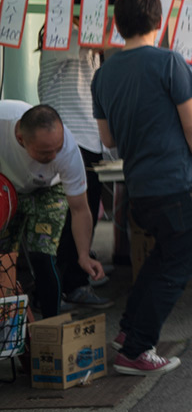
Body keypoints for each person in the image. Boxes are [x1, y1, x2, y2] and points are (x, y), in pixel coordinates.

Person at [92, 0, 192, 375]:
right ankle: (135, 350)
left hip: (139, 189)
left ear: (117, 26)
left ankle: (127, 332)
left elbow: (108, 140)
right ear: (159, 21)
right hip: (175, 184)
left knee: (160, 260)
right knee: (176, 266)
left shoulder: (103, 74)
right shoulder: (170, 62)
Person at [0, 102, 104, 319]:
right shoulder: (3, 123)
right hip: (8, 184)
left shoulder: (67, 150)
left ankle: (51, 331)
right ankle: (7, 330)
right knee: (4, 257)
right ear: (20, 139)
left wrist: (83, 255)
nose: (55, 156)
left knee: (42, 255)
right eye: (46, 152)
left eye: (58, 148)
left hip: (50, 189)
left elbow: (80, 209)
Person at [38, 24, 111, 309]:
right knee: (71, 214)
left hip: (87, 137)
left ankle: (78, 274)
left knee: (84, 210)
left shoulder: (81, 37)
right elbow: (105, 41)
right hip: (68, 136)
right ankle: (71, 284)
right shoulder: (60, 31)